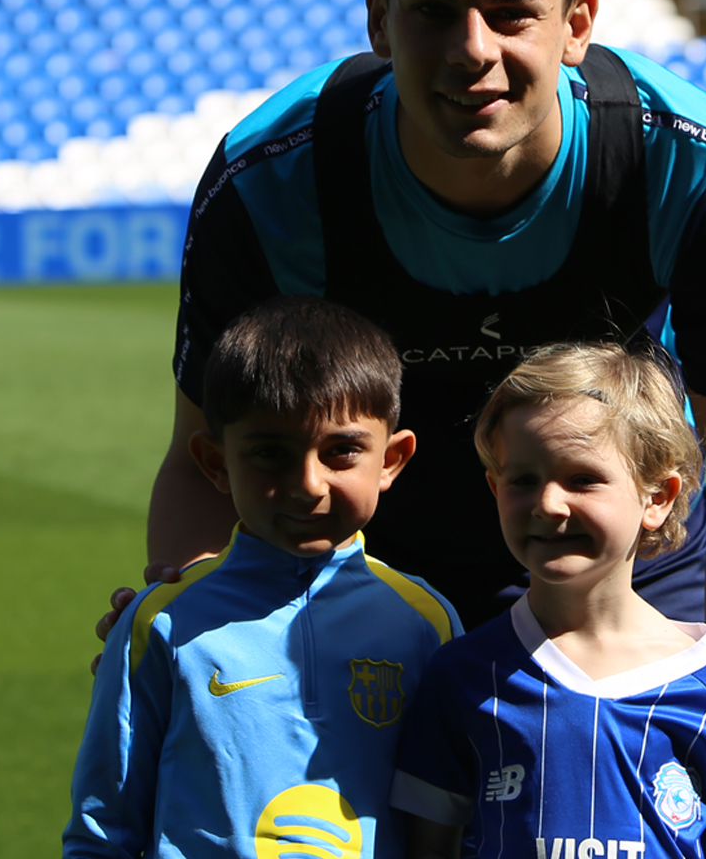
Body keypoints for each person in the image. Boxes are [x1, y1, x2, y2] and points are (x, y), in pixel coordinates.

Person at [104, 0, 706, 758]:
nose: (469, 53)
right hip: (370, 582)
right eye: (432, 11)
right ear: (377, 15)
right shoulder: (273, 178)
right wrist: (189, 622)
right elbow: (207, 458)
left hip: (623, 567)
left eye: (511, 15)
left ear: (579, 19)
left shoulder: (687, 164)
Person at [65, 295, 461, 859]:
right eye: (271, 454)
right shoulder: (161, 621)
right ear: (216, 464)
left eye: (342, 452)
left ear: (392, 460)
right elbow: (105, 827)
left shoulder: (426, 622)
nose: (308, 484)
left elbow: (451, 818)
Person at [391, 343, 706, 859]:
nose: (548, 503)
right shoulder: (461, 675)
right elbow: (427, 844)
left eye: (582, 479)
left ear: (658, 497)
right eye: (523, 480)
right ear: (495, 489)